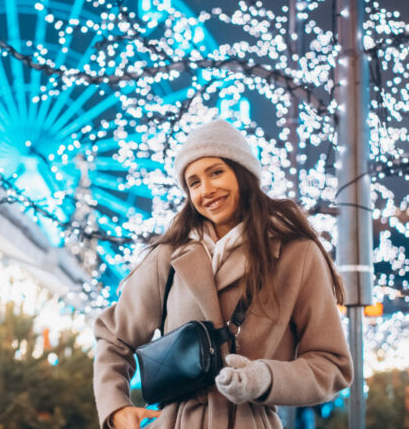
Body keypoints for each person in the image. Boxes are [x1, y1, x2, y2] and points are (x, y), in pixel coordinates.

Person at [93, 119, 353, 428]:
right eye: (194, 182)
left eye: (216, 172)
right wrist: (116, 407)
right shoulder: (169, 255)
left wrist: (265, 378)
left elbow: (331, 364)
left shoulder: (296, 254)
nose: (207, 190)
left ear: (242, 172)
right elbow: (114, 338)